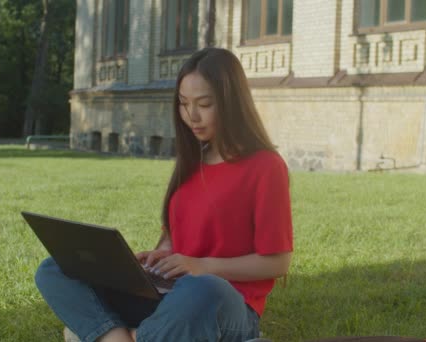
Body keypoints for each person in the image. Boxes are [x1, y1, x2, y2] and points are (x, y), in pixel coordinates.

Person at [35, 47, 294, 342]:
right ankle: (118, 337)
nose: (191, 116)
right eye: (184, 104)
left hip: (223, 304)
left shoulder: (266, 166)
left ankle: (118, 334)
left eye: (204, 104)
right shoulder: (192, 159)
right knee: (56, 267)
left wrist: (201, 266)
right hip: (168, 294)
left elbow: (277, 262)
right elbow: (176, 234)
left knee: (203, 288)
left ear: (231, 102)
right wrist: (160, 257)